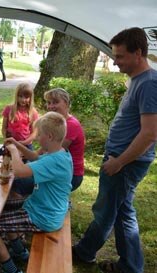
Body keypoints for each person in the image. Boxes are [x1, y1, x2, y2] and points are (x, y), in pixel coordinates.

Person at [73, 27, 157, 273]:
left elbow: (150, 133)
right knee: (122, 212)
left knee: (105, 210)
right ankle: (130, 266)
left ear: (138, 53)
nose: (115, 61)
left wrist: (119, 162)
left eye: (120, 56)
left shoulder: (150, 84)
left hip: (126, 163)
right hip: (122, 159)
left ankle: (85, 250)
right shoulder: (138, 80)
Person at [0, 112, 72, 273]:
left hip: (44, 216)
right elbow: (34, 156)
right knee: (2, 209)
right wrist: (16, 143)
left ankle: (11, 270)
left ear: (48, 136)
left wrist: (13, 151)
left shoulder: (53, 161)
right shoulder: (59, 152)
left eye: (39, 134)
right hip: (41, 206)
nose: (36, 138)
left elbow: (20, 171)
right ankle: (20, 251)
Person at [13, 88, 85, 195]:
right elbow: (36, 155)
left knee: (18, 182)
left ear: (67, 103)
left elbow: (38, 159)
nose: (51, 106)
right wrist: (17, 145)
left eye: (55, 102)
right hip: (55, 169)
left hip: (72, 176)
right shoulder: (57, 125)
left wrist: (15, 153)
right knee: (17, 177)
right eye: (49, 102)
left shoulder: (69, 126)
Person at [1, 83, 38, 148]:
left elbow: (34, 132)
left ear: (30, 98)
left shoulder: (33, 112)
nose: (23, 100)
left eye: (26, 97)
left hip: (26, 145)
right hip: (11, 144)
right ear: (16, 96)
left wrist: (25, 142)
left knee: (30, 158)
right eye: (20, 96)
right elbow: (4, 128)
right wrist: (7, 140)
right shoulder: (9, 109)